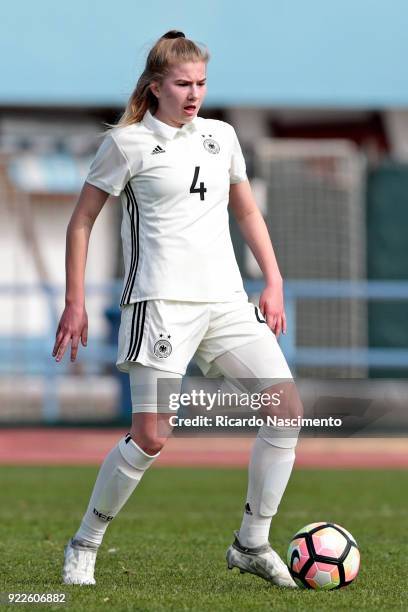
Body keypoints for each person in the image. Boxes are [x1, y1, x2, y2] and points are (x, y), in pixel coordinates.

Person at [54, 30, 301, 588]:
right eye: (184, 84)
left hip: (227, 305)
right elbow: (81, 221)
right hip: (161, 307)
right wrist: (75, 301)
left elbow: (248, 213)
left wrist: (274, 280)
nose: (195, 94)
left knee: (286, 413)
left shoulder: (222, 136)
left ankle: (251, 543)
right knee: (153, 436)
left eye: (202, 83)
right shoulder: (127, 144)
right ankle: (84, 543)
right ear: (155, 86)